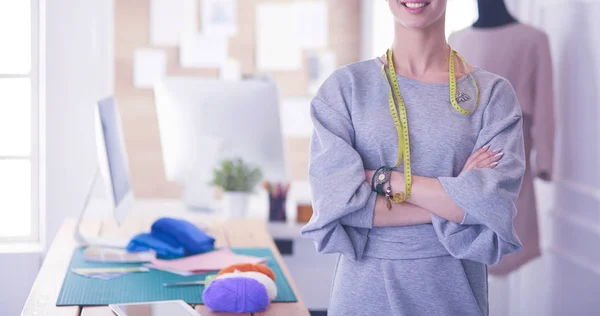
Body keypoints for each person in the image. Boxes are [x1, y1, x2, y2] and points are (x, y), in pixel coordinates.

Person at [300, 1, 526, 315]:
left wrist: (382, 179)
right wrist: (460, 197)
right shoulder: (344, 90)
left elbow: (493, 205)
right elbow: (337, 204)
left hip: (453, 297)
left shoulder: (493, 95)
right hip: (363, 297)